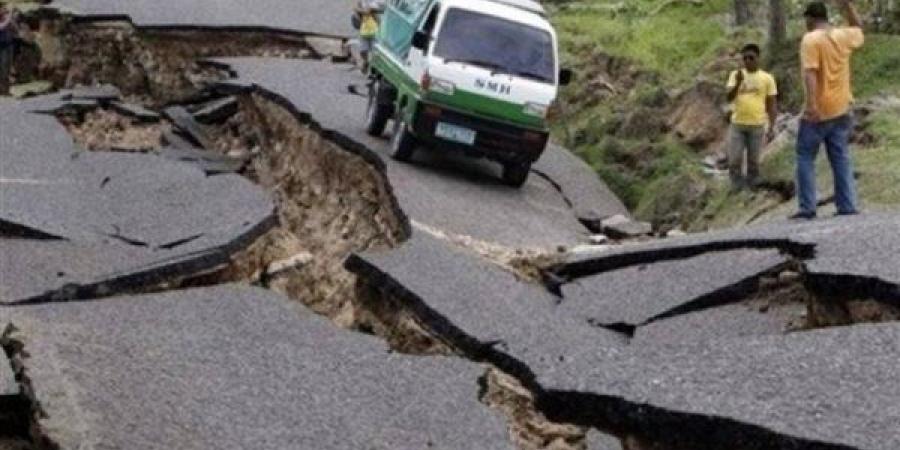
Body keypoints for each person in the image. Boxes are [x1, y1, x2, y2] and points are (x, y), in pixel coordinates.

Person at [792, 0, 864, 220]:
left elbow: (811, 73)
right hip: (842, 108)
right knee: (840, 157)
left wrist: (812, 105)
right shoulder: (843, 36)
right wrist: (848, 6)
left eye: (806, 19)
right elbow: (859, 29)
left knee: (805, 156)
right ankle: (847, 204)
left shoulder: (811, 39)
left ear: (810, 19)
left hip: (820, 110)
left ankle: (807, 207)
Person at [725, 43, 778, 190]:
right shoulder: (735, 75)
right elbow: (728, 97)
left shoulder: (767, 78)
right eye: (745, 58)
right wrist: (738, 83)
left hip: (757, 124)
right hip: (738, 124)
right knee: (735, 158)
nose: (748, 61)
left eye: (751, 58)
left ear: (758, 58)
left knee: (753, 159)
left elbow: (772, 103)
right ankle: (736, 186)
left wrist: (772, 125)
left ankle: (752, 184)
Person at [354, 0, 384, 73]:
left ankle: (375, 68)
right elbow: (356, 9)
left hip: (376, 31)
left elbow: (382, 9)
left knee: (376, 52)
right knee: (362, 50)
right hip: (364, 30)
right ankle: (366, 62)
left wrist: (370, 11)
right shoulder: (362, 1)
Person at [0, 3, 18, 96]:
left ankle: (5, 90)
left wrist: (12, 19)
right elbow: (2, 26)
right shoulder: (5, 20)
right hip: (1, 47)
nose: (4, 10)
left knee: (6, 69)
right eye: (3, 8)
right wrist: (10, 14)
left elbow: (15, 30)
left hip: (8, 45)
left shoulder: (6, 18)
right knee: (2, 69)